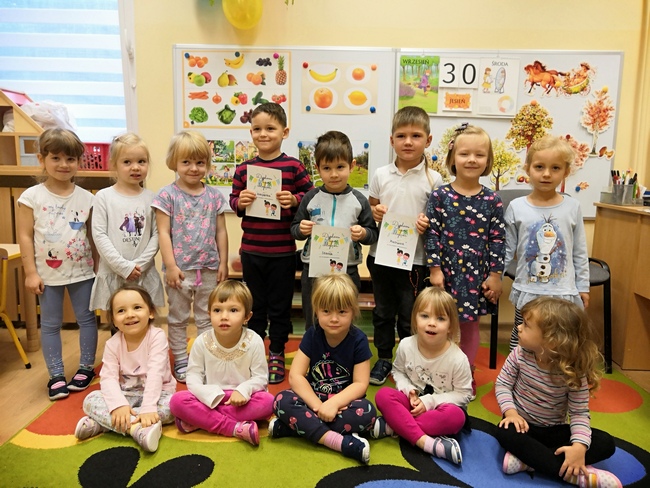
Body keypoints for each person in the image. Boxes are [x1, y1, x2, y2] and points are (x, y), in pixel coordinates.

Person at [494, 297, 621, 487]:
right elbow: (503, 384)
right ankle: (573, 475)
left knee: (605, 443)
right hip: (522, 427)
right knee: (505, 432)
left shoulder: (573, 371)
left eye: (526, 325)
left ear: (552, 341)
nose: (519, 327)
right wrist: (511, 413)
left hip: (553, 431)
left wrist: (578, 447)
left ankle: (529, 461)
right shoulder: (519, 354)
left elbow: (579, 413)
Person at [229, 103, 314, 384]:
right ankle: (254, 354)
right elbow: (233, 200)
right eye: (257, 129)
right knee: (254, 307)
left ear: (284, 132)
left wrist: (295, 200)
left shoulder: (293, 166)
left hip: (282, 253)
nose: (263, 134)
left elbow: (312, 195)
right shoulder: (244, 169)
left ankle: (276, 351)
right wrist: (240, 202)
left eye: (270, 128)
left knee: (280, 307)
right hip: (252, 251)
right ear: (251, 132)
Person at [17, 128, 98, 401]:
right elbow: (25, 236)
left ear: (78, 162)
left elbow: (92, 237)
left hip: (83, 271)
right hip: (46, 274)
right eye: (56, 158)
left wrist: (97, 269)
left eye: (70, 159)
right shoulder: (31, 197)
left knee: (87, 319)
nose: (64, 164)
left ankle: (86, 368)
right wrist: (30, 273)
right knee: (50, 324)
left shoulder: (88, 198)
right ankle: (56, 375)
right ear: (42, 159)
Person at [367, 106, 443, 386]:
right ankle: (384, 358)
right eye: (401, 136)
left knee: (410, 315)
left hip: (416, 260)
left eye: (416, 136)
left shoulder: (434, 180)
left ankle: (409, 360)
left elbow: (439, 221)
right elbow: (372, 207)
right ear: (392, 140)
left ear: (428, 140)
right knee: (382, 312)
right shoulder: (381, 174)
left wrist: (427, 223)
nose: (408, 142)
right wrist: (375, 212)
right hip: (381, 257)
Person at [425, 124, 505, 389]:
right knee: (441, 324)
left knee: (470, 327)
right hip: (446, 273)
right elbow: (432, 234)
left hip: (476, 276)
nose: (472, 160)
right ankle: (440, 374)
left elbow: (497, 239)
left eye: (479, 155)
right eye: (464, 154)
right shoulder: (440, 196)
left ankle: (465, 376)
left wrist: (495, 275)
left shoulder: (492, 200)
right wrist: (435, 269)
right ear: (452, 158)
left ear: (488, 160)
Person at [270, 274, 377, 464]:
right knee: (281, 400)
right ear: (317, 311)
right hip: (314, 398)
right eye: (326, 311)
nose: (334, 319)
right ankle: (337, 441)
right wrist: (318, 407)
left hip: (344, 404)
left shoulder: (359, 340)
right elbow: (296, 376)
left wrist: (334, 404)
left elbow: (361, 384)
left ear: (353, 311)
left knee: (367, 412)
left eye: (342, 312)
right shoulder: (312, 334)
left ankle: (295, 427)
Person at [152, 131, 229, 383]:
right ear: (174, 162)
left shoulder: (214, 196)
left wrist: (223, 262)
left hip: (209, 267)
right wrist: (171, 265)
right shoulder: (167, 196)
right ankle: (180, 359)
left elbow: (221, 231)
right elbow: (163, 232)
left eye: (200, 162)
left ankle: (204, 358)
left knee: (207, 316)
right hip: (180, 270)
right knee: (178, 317)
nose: (194, 168)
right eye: (186, 162)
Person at [504, 135, 589, 351]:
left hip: (563, 291)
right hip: (528, 289)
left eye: (555, 168)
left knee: (560, 342)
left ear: (566, 172)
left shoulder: (573, 207)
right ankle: (518, 371)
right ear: (528, 168)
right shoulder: (516, 207)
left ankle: (554, 374)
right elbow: (506, 250)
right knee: (523, 336)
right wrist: (495, 277)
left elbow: (579, 251)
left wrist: (583, 286)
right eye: (539, 167)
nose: (547, 174)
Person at [374, 287, 473, 465]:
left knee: (456, 417)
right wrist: (408, 389)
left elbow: (463, 395)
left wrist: (429, 402)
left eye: (440, 318)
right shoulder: (406, 345)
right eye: (425, 316)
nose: (431, 323)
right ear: (415, 319)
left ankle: (394, 425)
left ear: (450, 326)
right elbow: (398, 372)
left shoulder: (458, 359)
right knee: (383, 395)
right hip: (411, 403)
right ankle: (427, 443)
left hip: (440, 409)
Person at [291, 130, 378, 329]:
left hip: (347, 270)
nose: (334, 174)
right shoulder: (310, 198)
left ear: (352, 165)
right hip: (313, 271)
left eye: (340, 167)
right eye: (326, 168)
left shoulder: (359, 200)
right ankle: (313, 349)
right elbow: (294, 228)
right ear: (317, 169)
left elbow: (372, 234)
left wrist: (363, 233)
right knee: (313, 320)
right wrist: (301, 229)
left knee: (343, 321)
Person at [169, 280, 274, 445]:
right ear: (209, 314)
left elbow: (260, 378)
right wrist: (208, 395)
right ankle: (235, 428)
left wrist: (243, 390)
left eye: (233, 310)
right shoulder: (201, 341)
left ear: (247, 317)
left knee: (268, 402)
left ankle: (201, 420)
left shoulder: (254, 341)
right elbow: (193, 377)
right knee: (177, 401)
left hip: (242, 399)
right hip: (210, 399)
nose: (224, 316)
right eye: (217, 310)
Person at [74, 285, 176, 452]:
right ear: (114, 320)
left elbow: (155, 374)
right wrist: (118, 405)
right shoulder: (112, 344)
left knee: (174, 405)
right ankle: (136, 429)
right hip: (126, 395)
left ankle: (103, 424)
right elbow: (108, 379)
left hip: (158, 394)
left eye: (137, 307)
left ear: (151, 312)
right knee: (90, 400)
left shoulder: (157, 337)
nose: (129, 314)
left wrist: (148, 408)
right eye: (121, 311)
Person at [89, 133, 164, 316]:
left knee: (144, 318)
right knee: (119, 320)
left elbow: (157, 235)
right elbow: (99, 235)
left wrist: (139, 266)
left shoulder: (152, 198)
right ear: (114, 164)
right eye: (127, 162)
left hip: (143, 274)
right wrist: (123, 267)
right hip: (114, 273)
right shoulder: (103, 197)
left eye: (141, 161)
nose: (135, 167)